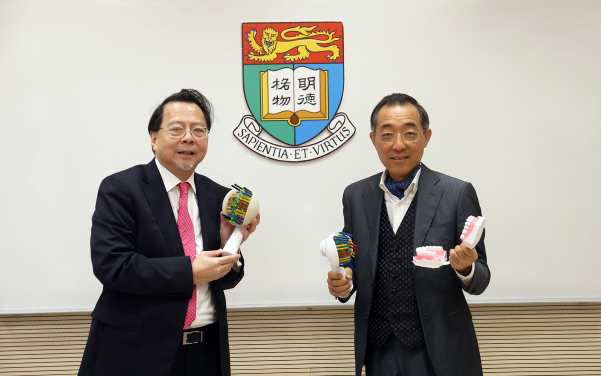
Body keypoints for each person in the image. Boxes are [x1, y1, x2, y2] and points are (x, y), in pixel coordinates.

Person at [78, 89, 259, 376]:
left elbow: (225, 281)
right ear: (153, 138)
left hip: (206, 352)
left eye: (199, 130)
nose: (189, 138)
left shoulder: (220, 196)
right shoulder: (121, 188)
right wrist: (190, 272)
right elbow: (113, 266)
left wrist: (230, 245)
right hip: (135, 351)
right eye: (177, 129)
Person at [326, 93, 490, 376]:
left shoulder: (457, 193)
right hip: (378, 349)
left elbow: (481, 279)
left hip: (439, 348)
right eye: (387, 134)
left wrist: (465, 267)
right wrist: (343, 283)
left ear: (426, 137)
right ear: (373, 139)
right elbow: (350, 262)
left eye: (409, 133)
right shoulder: (355, 196)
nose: (398, 144)